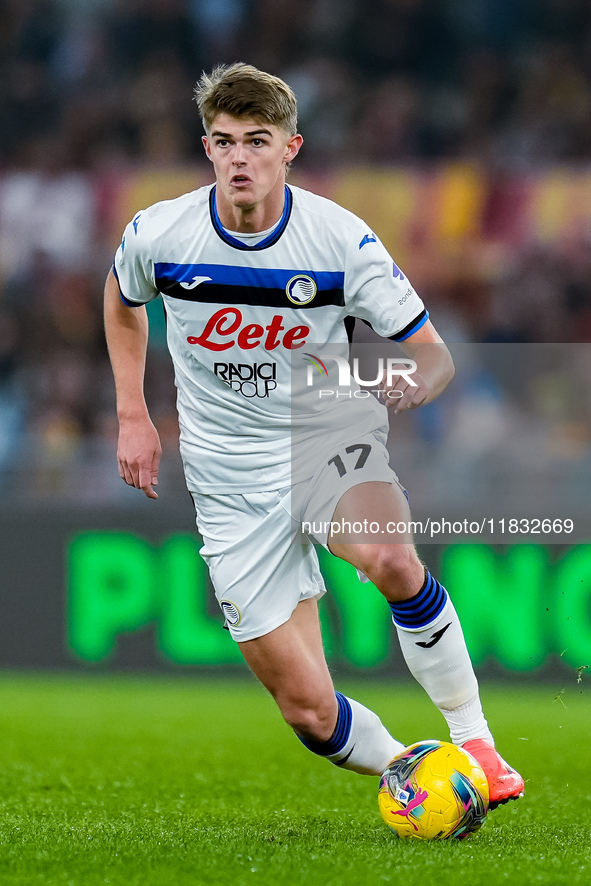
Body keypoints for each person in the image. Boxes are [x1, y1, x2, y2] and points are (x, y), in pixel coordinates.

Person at [104, 63, 524, 807]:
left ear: (290, 148)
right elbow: (122, 298)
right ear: (206, 147)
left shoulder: (339, 241)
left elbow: (432, 357)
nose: (239, 158)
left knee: (391, 557)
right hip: (227, 478)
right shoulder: (161, 232)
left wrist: (379, 385)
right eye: (225, 141)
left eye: (256, 141)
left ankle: (476, 744)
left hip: (324, 443)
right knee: (308, 711)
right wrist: (133, 415)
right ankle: (419, 774)